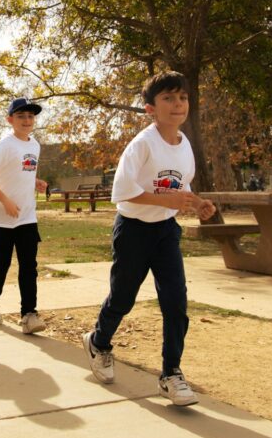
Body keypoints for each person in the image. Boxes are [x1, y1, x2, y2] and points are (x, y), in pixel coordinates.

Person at [81, 71, 216, 407]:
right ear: (150, 109)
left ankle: (171, 374)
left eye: (182, 97)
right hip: (133, 230)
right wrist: (165, 200)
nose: (178, 104)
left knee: (176, 304)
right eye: (168, 98)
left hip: (166, 232)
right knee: (123, 298)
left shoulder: (184, 145)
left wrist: (197, 202)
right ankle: (98, 342)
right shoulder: (142, 144)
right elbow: (122, 192)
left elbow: (180, 187)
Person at [0, 97, 49, 335]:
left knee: (29, 266)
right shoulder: (3, 145)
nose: (27, 120)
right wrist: (5, 200)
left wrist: (36, 182)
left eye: (30, 116)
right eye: (21, 116)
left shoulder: (35, 145)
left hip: (27, 217)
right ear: (10, 120)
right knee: (1, 264)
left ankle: (29, 314)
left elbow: (23, 173)